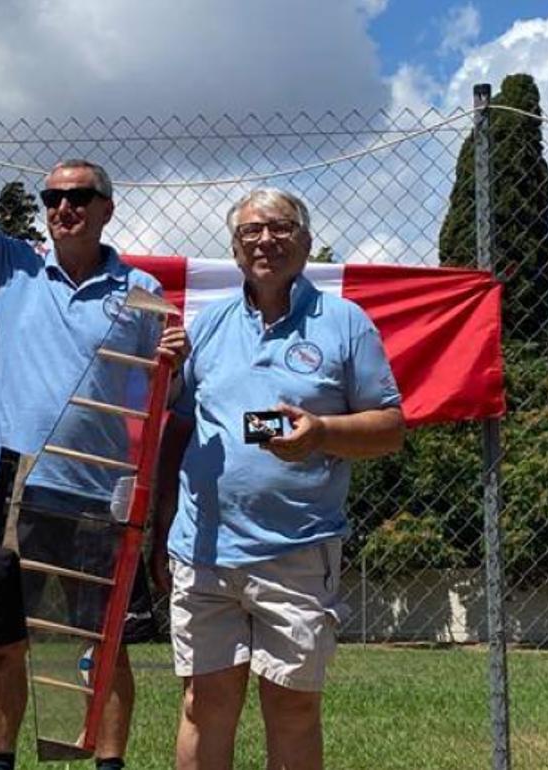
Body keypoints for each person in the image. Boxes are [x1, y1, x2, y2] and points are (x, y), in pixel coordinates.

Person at [0, 41, 189, 770]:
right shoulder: (12, 264)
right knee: (3, 643)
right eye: (52, 199)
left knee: (104, 649)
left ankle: (106, 767)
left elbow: (174, 397)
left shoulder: (144, 298)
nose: (63, 208)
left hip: (100, 494)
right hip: (11, 484)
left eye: (78, 197)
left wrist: (177, 359)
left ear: (105, 208)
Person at [151, 188, 405, 770]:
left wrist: (320, 434)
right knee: (202, 704)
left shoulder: (345, 323)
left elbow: (390, 427)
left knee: (292, 709)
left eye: (280, 228)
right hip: (203, 551)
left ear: (306, 241)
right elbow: (176, 429)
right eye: (250, 233)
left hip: (297, 550)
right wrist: (160, 527)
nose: (265, 240)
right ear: (236, 250)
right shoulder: (207, 329)